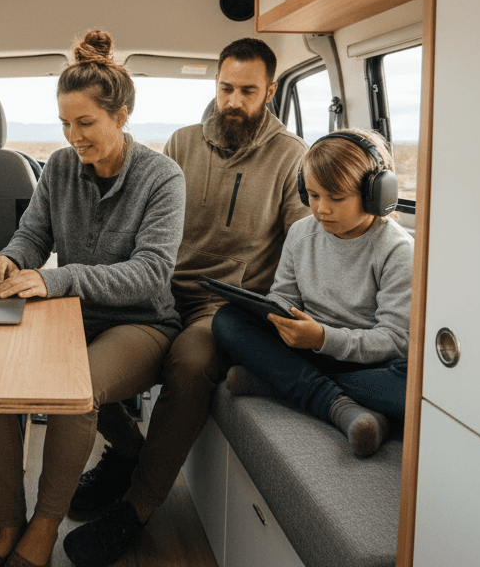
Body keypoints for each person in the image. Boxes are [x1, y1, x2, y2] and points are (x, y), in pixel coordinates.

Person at [63, 38, 311, 567]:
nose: (233, 101)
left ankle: (138, 506)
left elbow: (303, 243)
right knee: (69, 347)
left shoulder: (292, 157)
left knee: (192, 360)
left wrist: (286, 307)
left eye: (247, 90)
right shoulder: (180, 143)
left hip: (220, 305)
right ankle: (129, 450)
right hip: (155, 288)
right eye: (226, 88)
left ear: (269, 91)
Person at [0, 29, 186, 567]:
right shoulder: (61, 166)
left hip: (141, 322)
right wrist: (12, 260)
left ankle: (43, 529)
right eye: (65, 123)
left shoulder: (163, 177)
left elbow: (152, 275)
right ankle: (8, 522)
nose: (73, 136)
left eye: (85, 123)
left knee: (77, 389)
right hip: (73, 315)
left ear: (123, 114)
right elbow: (33, 235)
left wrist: (59, 280)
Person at [212, 128, 413, 457]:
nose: (322, 209)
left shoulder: (397, 250)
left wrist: (323, 338)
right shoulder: (301, 232)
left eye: (336, 198)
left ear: (375, 194)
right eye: (313, 196)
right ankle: (334, 400)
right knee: (227, 319)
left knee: (411, 385)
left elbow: (395, 340)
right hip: (306, 347)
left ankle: (280, 384)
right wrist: (274, 315)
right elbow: (284, 299)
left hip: (367, 364)